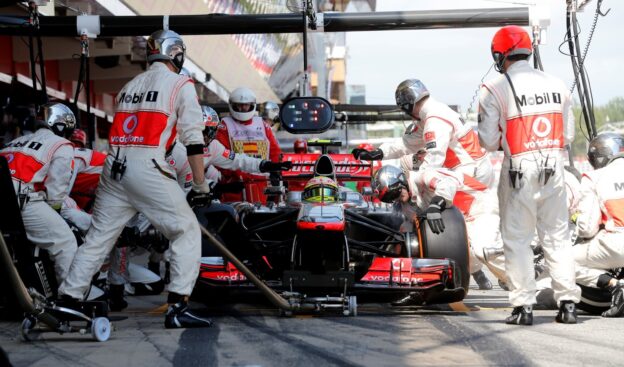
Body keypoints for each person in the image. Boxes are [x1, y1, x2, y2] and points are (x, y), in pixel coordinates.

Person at [57, 29, 213, 329]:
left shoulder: (130, 85)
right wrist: (199, 184)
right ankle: (178, 306)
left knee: (98, 239)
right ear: (177, 54)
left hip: (113, 169)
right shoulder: (181, 83)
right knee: (186, 231)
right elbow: (193, 140)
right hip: (147, 166)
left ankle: (68, 299)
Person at [478, 25, 580, 325]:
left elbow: (486, 141)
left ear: (500, 55)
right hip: (554, 167)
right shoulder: (557, 84)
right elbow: (569, 134)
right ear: (528, 50)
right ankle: (568, 304)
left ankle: (524, 307)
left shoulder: (495, 88)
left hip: (518, 170)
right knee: (558, 237)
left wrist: (507, 139)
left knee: (518, 239)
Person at [371, 163, 507, 289]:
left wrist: (436, 205)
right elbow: (411, 228)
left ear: (401, 181)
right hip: (458, 220)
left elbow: (448, 183)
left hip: (480, 207)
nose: (397, 198)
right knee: (462, 259)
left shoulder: (424, 177)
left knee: (482, 250)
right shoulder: (405, 206)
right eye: (391, 198)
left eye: (395, 193)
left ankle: (517, 275)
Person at [0, 102, 77, 284]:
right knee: (65, 243)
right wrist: (55, 211)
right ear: (61, 126)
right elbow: (55, 192)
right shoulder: (61, 144)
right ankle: (71, 298)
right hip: (20, 203)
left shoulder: (11, 143)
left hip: (6, 204)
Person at [573, 133, 624, 317]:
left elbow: (587, 228)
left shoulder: (594, 177)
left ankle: (615, 285)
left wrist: (575, 218)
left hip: (618, 244)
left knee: (561, 259)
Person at [216, 87, 282, 203]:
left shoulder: (263, 125)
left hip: (261, 183)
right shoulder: (224, 125)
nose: (243, 108)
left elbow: (275, 152)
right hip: (235, 184)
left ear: (252, 105)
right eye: (239, 105)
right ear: (232, 105)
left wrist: (275, 171)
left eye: (246, 105)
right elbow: (220, 155)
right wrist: (234, 174)